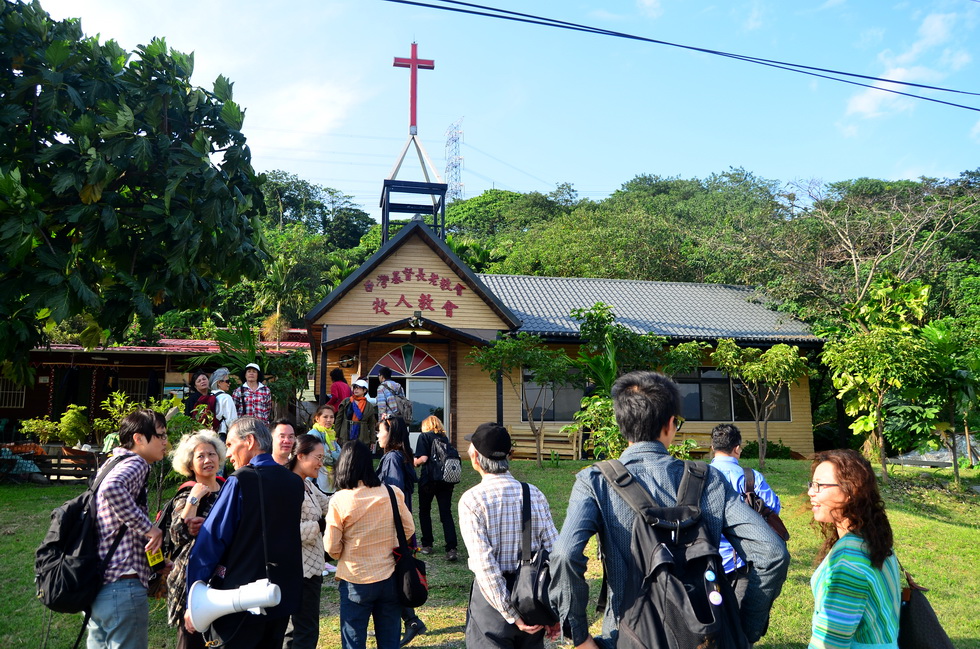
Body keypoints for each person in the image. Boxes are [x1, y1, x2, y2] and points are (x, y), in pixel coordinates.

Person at [549, 371, 790, 649]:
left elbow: (565, 554)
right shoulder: (708, 478)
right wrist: (745, 628)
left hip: (628, 635)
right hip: (707, 634)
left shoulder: (595, 481)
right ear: (671, 424)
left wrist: (579, 636)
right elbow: (772, 553)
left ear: (621, 424)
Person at [184, 417, 304, 649]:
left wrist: (194, 594)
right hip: (282, 595)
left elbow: (212, 541)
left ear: (249, 441)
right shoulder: (294, 482)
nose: (227, 454)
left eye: (229, 445)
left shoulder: (240, 480)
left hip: (241, 597)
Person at [458, 422, 559, 649]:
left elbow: (485, 565)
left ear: (476, 458)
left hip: (492, 608)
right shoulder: (534, 493)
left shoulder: (472, 500)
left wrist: (510, 613)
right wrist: (552, 611)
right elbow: (556, 552)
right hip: (532, 596)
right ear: (508, 456)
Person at [87, 409, 169, 649]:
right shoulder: (135, 462)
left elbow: (120, 528)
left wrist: (157, 562)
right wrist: (150, 529)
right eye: (160, 435)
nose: (165, 442)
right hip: (122, 587)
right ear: (139, 439)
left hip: (99, 586)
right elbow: (112, 489)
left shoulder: (110, 462)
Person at [325, 441, 416, 649]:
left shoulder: (340, 499)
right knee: (389, 639)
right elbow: (409, 529)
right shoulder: (392, 492)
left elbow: (331, 546)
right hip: (390, 575)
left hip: (355, 577)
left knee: (354, 640)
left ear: (344, 464)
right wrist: (389, 545)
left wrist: (343, 553)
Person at [807, 449, 901, 649]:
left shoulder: (850, 556)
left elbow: (830, 642)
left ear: (851, 490)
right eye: (812, 484)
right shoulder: (872, 537)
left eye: (820, 485)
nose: (810, 492)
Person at [710, 423, 783, 606]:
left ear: (713, 448)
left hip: (707, 558)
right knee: (740, 617)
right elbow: (773, 508)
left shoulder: (698, 476)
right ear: (737, 449)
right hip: (743, 560)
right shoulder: (752, 477)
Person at [166, 430, 227, 649]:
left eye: (211, 454)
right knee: (191, 642)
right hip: (193, 579)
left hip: (224, 576)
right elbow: (176, 535)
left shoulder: (228, 489)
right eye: (200, 456)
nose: (207, 460)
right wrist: (195, 498)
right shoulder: (187, 493)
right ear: (190, 464)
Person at [376, 416, 426, 646]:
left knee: (397, 576)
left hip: (395, 529)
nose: (378, 436)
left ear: (392, 434)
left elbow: (393, 496)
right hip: (403, 527)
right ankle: (406, 622)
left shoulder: (392, 458)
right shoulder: (401, 456)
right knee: (398, 575)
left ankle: (411, 622)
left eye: (381, 432)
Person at [284, 434, 332, 649]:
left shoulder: (308, 486)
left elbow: (330, 504)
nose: (321, 463)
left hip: (311, 569)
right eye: (318, 457)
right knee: (304, 630)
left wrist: (355, 493)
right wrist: (320, 526)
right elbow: (286, 532)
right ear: (301, 456)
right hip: (299, 572)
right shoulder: (288, 487)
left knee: (298, 630)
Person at [413, 415, 459, 561]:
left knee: (424, 511)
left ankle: (427, 544)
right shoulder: (444, 438)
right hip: (446, 480)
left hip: (429, 479)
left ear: (425, 426)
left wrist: (414, 461)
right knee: (446, 513)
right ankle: (451, 548)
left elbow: (423, 459)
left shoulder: (424, 437)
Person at [335, 379, 378, 449]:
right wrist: (336, 435)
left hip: (362, 436)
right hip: (346, 434)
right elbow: (339, 419)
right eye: (355, 387)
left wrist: (372, 440)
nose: (356, 390)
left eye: (359, 388)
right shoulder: (346, 402)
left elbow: (371, 424)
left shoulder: (369, 406)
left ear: (365, 390)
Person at [309, 404, 342, 493]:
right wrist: (334, 456)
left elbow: (342, 456)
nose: (329, 420)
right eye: (325, 417)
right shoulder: (314, 434)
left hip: (330, 480)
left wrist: (332, 454)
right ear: (317, 418)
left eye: (331, 417)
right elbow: (323, 458)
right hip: (317, 481)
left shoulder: (331, 434)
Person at [208, 368, 238, 440]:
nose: (229, 383)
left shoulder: (210, 396)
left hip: (209, 433)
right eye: (227, 381)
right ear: (219, 383)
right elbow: (232, 421)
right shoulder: (226, 398)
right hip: (222, 434)